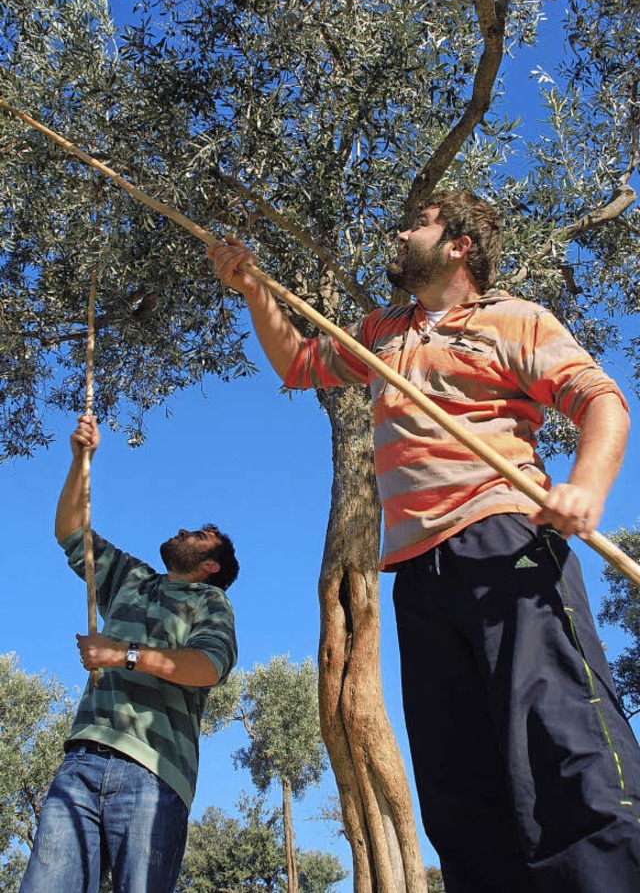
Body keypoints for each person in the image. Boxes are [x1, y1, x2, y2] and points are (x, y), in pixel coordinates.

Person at [210, 189, 640, 893]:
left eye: (418, 224)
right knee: (457, 781)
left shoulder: (515, 319)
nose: (400, 231)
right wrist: (253, 287)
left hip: (507, 541)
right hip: (416, 572)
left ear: (459, 244)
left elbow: (601, 400)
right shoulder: (381, 330)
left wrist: (586, 490)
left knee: (562, 740)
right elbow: (298, 364)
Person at [21, 414, 238, 893]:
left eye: (200, 535)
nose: (184, 530)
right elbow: (71, 533)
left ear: (209, 565)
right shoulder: (131, 577)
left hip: (154, 773)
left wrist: (124, 654)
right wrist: (81, 460)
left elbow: (207, 667)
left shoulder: (211, 602)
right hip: (81, 759)